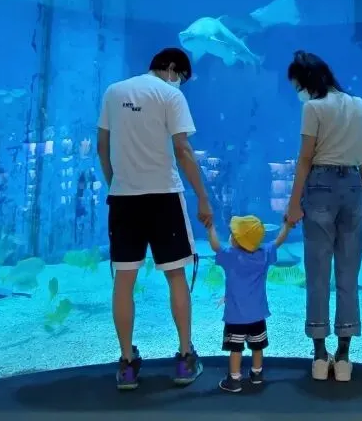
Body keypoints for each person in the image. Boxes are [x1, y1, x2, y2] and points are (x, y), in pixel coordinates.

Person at [97, 47, 213, 390]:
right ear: (172, 69)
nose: (180, 84)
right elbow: (183, 149)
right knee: (176, 275)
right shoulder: (170, 95)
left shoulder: (114, 91)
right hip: (164, 197)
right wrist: (202, 197)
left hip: (123, 199)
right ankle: (185, 358)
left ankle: (126, 364)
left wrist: (115, 183)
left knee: (124, 280)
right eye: (181, 79)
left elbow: (102, 145)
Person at [284, 50, 362, 383]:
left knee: (318, 273)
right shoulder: (359, 105)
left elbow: (305, 158)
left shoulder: (313, 108)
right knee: (348, 274)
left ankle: (320, 356)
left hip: (320, 186)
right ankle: (345, 357)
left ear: (306, 81)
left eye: (297, 85)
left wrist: (294, 203)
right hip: (353, 187)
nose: (297, 92)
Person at [206, 215, 291, 393]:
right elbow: (278, 242)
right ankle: (257, 374)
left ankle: (234, 379)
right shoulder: (264, 254)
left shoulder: (230, 256)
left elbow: (215, 247)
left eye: (233, 233)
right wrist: (287, 225)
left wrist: (210, 227)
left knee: (236, 349)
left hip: (235, 317)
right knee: (257, 346)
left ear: (237, 240)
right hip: (258, 315)